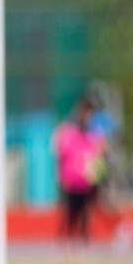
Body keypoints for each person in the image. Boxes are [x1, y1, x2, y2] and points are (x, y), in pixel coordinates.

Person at [52, 98, 106, 245]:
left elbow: (99, 154)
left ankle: (83, 241)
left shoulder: (93, 134)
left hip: (86, 181)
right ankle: (68, 240)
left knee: (84, 213)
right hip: (71, 180)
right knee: (70, 213)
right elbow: (60, 153)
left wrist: (97, 170)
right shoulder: (68, 133)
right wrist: (60, 175)